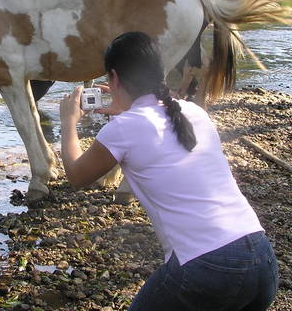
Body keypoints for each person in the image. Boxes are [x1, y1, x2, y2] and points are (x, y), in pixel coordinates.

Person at [59, 32, 278, 311]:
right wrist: (123, 108)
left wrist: (68, 122)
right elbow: (154, 127)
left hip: (207, 267)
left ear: (113, 78)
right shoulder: (193, 111)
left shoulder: (123, 129)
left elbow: (77, 175)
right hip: (261, 259)